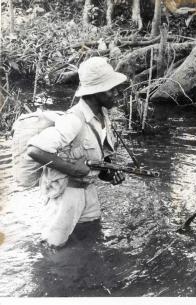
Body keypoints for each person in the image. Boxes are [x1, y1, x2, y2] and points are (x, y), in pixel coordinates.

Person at [27, 57, 127, 247]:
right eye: (111, 89)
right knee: (54, 247)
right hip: (66, 194)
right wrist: (72, 170)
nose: (117, 93)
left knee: (91, 237)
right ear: (94, 92)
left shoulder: (103, 116)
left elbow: (101, 161)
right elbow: (35, 150)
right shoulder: (73, 120)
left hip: (88, 190)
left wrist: (110, 174)